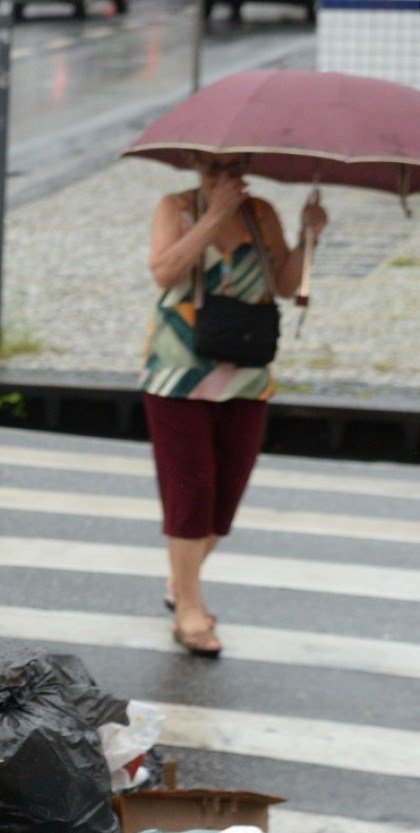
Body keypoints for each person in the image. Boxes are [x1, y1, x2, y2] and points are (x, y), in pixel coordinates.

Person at [141, 152, 327, 657]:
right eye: (209, 167)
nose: (220, 175)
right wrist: (214, 215)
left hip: (246, 373)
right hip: (179, 373)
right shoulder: (174, 207)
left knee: (225, 497)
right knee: (191, 491)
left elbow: (285, 286)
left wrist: (309, 236)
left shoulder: (261, 211)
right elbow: (164, 272)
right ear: (195, 165)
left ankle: (182, 582)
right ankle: (189, 610)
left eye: (230, 167)